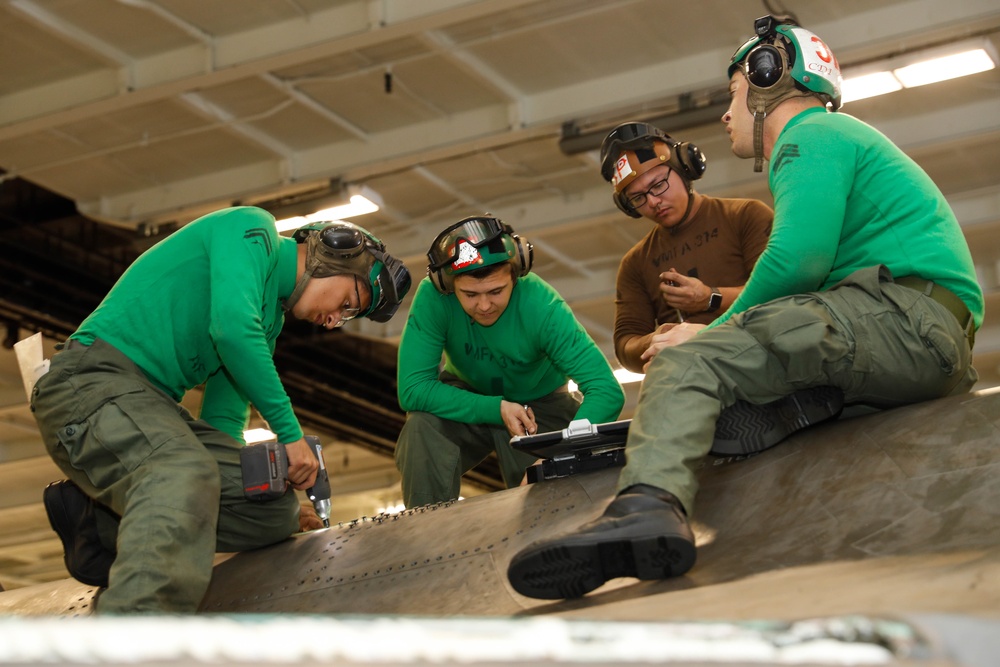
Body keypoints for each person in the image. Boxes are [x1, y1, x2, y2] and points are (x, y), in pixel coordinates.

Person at [507, 15, 982, 600]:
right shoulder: (840, 141)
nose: (726, 114)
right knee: (754, 384)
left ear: (764, 79)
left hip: (900, 320)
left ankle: (646, 506)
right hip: (913, 339)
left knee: (689, 364)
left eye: (732, 94)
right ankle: (787, 408)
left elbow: (795, 264)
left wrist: (709, 334)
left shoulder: (810, 138)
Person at [31, 205, 411, 613]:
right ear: (332, 254)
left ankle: (99, 522)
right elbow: (231, 329)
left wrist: (243, 490)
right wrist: (289, 434)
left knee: (274, 511)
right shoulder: (252, 229)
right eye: (350, 303)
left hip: (149, 407)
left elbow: (222, 420)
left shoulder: (267, 324)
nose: (336, 320)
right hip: (91, 380)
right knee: (181, 469)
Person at [395, 215, 625, 507]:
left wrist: (563, 453)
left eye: (496, 291)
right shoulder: (433, 297)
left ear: (516, 277)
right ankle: (423, 526)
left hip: (541, 402)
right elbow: (413, 388)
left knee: (550, 498)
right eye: (469, 294)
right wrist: (496, 408)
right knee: (421, 427)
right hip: (468, 393)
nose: (484, 305)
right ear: (448, 285)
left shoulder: (542, 306)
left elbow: (606, 389)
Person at [599, 121, 773, 373]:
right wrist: (657, 338)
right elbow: (626, 345)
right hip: (691, 377)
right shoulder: (635, 263)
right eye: (638, 198)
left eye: (658, 185)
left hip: (759, 361)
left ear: (684, 168)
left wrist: (710, 298)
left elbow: (780, 295)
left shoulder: (745, 216)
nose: (654, 201)